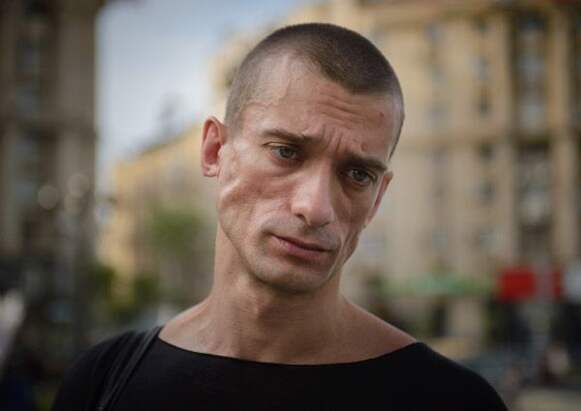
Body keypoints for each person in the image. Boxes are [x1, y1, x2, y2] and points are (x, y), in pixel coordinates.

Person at [53, 23, 507, 410]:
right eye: (286, 152)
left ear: (378, 197)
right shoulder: (104, 382)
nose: (316, 207)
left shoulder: (451, 401)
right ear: (215, 151)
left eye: (357, 174)